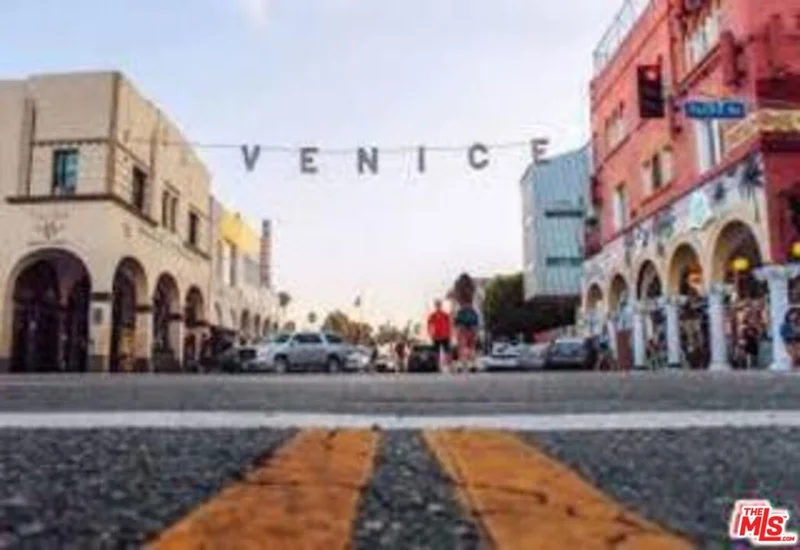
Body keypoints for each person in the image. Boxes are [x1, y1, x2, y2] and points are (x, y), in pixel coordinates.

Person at [452, 273, 481, 373]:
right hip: (472, 313)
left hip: (461, 313)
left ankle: (461, 364)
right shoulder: (473, 289)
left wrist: (454, 319)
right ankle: (473, 364)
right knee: (472, 343)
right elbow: (479, 300)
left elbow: (455, 304)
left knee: (461, 343)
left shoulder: (457, 289)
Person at [427, 299, 452, 372]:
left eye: (439, 304)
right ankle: (437, 366)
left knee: (447, 351)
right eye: (437, 305)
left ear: (441, 305)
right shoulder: (432, 315)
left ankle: (449, 366)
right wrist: (430, 333)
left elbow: (449, 325)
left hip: (445, 335)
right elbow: (429, 325)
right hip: (436, 336)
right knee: (436, 352)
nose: (438, 306)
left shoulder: (445, 315)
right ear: (435, 306)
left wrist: (450, 333)